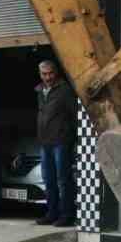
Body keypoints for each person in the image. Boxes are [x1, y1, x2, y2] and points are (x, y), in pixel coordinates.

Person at [34, 60, 78, 227]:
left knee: (63, 180)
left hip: (61, 142)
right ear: (40, 75)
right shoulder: (40, 91)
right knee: (48, 180)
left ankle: (67, 215)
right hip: (45, 143)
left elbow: (74, 115)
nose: (48, 77)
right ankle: (52, 213)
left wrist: (73, 140)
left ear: (56, 72)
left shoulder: (65, 90)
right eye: (44, 74)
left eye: (50, 73)